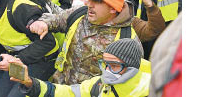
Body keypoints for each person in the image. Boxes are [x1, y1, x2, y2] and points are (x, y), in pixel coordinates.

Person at [28, 0, 140, 85]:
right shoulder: (79, 13)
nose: (89, 4)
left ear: (113, 8)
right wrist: (43, 23)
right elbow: (56, 19)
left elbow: (125, 84)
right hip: (59, 88)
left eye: (97, 1)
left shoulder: (127, 41)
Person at [12, 39, 151, 97]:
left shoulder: (154, 91)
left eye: (114, 66)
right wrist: (30, 83)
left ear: (132, 67)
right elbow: (68, 93)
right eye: (105, 64)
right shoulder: (98, 84)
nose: (107, 71)